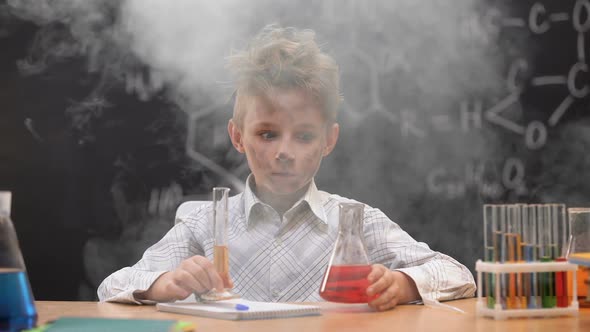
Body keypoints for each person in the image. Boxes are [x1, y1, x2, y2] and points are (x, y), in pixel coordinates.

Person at [98, 25, 476, 311]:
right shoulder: (205, 224)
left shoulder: (355, 223)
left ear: (329, 140)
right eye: (267, 134)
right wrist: (164, 283)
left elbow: (457, 275)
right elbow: (113, 285)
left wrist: (403, 283)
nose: (284, 152)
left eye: (305, 136)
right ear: (237, 136)